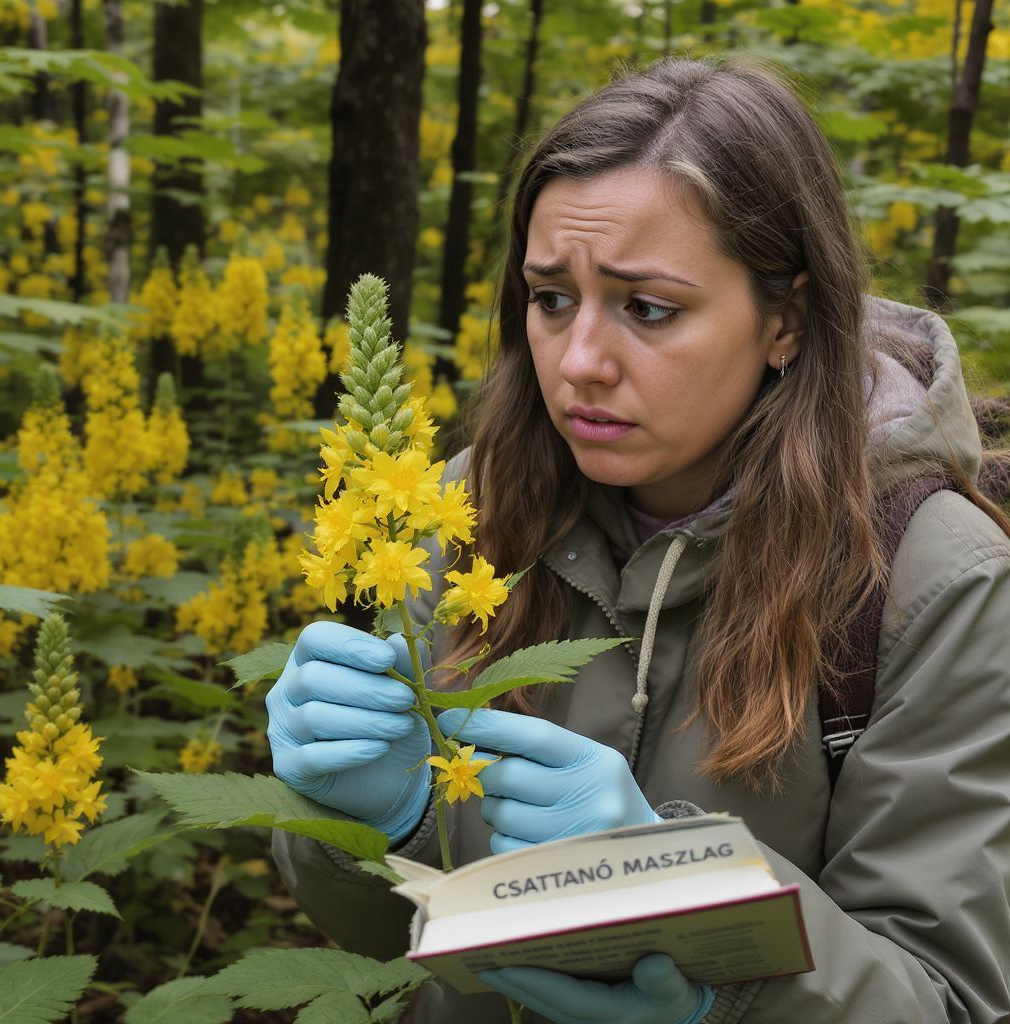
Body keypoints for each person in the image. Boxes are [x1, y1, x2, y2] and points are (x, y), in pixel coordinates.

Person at [267, 54, 1010, 1024]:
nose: (579, 361)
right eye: (550, 298)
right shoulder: (460, 513)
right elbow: (389, 947)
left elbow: (951, 998)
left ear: (785, 320)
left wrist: (701, 927)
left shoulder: (935, 581)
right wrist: (374, 824)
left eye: (647, 308)